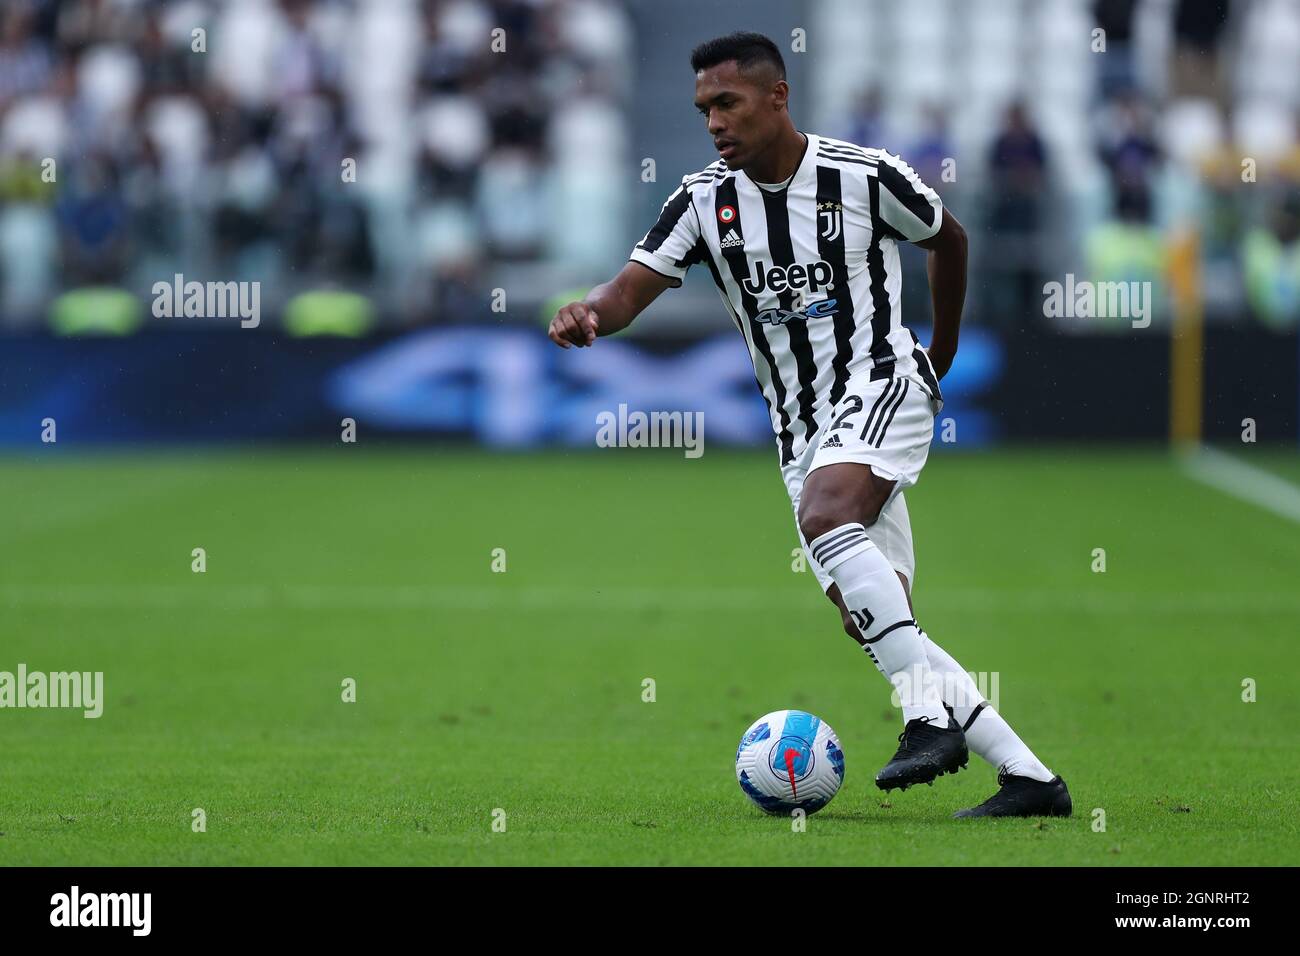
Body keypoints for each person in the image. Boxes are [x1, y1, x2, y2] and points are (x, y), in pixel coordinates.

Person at [547, 32, 1070, 818]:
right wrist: (590, 311)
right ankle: (1030, 778)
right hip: (802, 430)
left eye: (727, 103)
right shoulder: (701, 201)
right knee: (877, 621)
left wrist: (942, 355)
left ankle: (927, 721)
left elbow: (948, 239)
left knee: (827, 517)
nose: (714, 122)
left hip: (884, 379)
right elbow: (629, 289)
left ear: (777, 95)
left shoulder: (861, 176)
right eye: (703, 110)